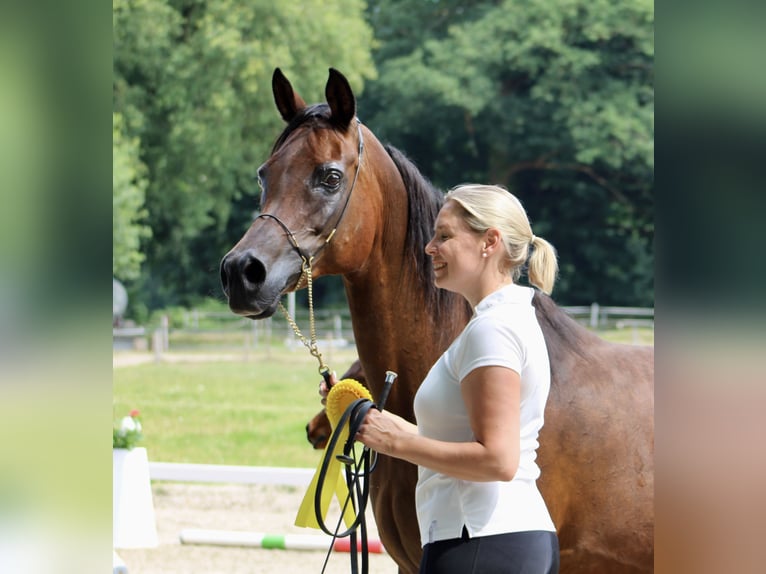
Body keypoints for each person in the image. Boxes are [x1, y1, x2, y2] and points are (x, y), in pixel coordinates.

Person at [322, 183, 560, 573]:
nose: (430, 247)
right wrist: (366, 419)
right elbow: (455, 440)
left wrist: (397, 441)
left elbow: (497, 460)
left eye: (445, 236)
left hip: (481, 541)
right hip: (488, 538)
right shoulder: (499, 322)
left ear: (490, 242)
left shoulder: (493, 330)